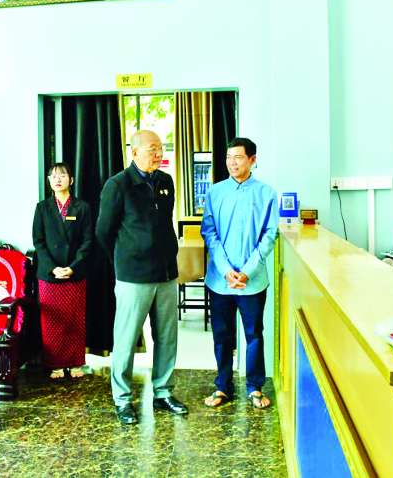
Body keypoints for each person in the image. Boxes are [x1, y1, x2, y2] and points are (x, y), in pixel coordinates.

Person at [96, 130, 188, 425]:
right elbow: (103, 232)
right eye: (151, 149)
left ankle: (163, 392)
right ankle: (122, 399)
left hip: (166, 273)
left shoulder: (165, 181)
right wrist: (125, 259)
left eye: (160, 148)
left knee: (167, 337)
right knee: (125, 340)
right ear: (134, 153)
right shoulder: (118, 185)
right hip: (133, 277)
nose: (158, 154)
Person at [200, 137, 278, 410]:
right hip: (219, 280)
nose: (232, 163)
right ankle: (223, 385)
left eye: (238, 157)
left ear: (252, 160)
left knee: (254, 334)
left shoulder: (267, 194)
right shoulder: (215, 192)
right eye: (228, 157)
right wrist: (226, 270)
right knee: (222, 334)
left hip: (252, 281)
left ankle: (255, 387)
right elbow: (209, 232)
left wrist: (247, 271)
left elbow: (269, 235)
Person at [32, 162, 93, 379]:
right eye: (54, 176)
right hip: (49, 274)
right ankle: (55, 364)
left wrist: (73, 268)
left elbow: (88, 241)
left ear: (71, 180)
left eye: (63, 175)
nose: (58, 179)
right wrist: (53, 268)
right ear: (49, 181)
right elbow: (38, 241)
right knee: (52, 322)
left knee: (75, 320)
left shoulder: (82, 207)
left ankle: (75, 363)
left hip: (75, 272)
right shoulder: (42, 208)